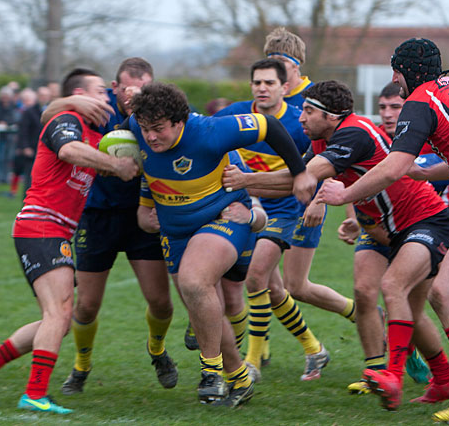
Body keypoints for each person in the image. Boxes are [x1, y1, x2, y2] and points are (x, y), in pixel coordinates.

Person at [224, 79, 449, 412]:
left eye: (309, 112)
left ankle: (395, 375)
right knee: (373, 294)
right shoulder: (324, 139)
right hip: (382, 229)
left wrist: (246, 180)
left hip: (426, 221)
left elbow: (304, 178)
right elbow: (300, 181)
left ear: (333, 115)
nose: (301, 118)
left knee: (394, 287)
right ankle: (440, 379)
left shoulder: (353, 134)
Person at [318, 38, 449, 422]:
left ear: (404, 72)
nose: (394, 80)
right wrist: (428, 172)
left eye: (395, 72)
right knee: (445, 293)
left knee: (432, 291)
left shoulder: (421, 100)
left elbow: (393, 166)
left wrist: (343, 194)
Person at [0, 68, 139, 415]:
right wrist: (116, 166)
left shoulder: (95, 131)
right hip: (41, 226)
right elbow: (70, 151)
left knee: (58, 316)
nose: (106, 98)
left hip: (56, 229)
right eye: (100, 91)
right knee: (59, 313)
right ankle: (34, 393)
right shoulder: (67, 119)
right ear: (79, 95)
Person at [129, 82, 315, 406]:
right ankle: (239, 377)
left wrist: (299, 172)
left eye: (158, 129)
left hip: (224, 219)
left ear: (179, 121)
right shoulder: (136, 125)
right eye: (145, 130)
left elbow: (269, 125)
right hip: (175, 234)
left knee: (195, 281)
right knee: (203, 309)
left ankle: (211, 371)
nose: (150, 137)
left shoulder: (210, 131)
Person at [42, 58, 177, 397]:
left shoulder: (152, 117)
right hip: (97, 217)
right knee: (86, 305)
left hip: (141, 216)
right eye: (129, 87)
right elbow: (49, 115)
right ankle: (81, 367)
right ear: (114, 88)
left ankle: (157, 351)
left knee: (161, 302)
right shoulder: (97, 113)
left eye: (144, 88)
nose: (135, 94)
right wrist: (70, 100)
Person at [216, 58, 356, 380]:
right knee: (278, 290)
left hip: (288, 208)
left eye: (270, 83)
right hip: (248, 206)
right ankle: (313, 348)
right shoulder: (234, 114)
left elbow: (324, 165)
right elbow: (202, 133)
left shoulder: (300, 123)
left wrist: (318, 201)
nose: (262, 88)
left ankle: (250, 362)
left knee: (256, 278)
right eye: (257, 82)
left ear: (285, 87)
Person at [263, 27, 313, 109]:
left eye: (282, 60)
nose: (275, 65)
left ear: (297, 64)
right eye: (271, 60)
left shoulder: (314, 97)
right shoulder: (264, 94)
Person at [17, 86, 51, 198]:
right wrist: (25, 147)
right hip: (33, 149)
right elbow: (23, 130)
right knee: (30, 179)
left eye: (46, 96)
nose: (44, 98)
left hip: (48, 150)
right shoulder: (29, 111)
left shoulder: (52, 110)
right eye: (42, 96)